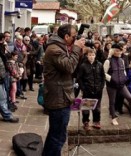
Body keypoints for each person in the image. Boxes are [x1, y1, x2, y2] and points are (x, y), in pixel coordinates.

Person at [42, 24, 83, 156]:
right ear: (66, 36)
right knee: (58, 137)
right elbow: (69, 67)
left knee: (55, 134)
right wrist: (76, 48)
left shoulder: (59, 46)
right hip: (59, 99)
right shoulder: (55, 50)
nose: (75, 39)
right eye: (73, 37)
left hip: (61, 96)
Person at [104, 43, 131, 125]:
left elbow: (123, 71)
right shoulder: (108, 61)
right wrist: (111, 79)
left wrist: (124, 78)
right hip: (111, 85)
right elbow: (104, 73)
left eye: (120, 51)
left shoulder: (121, 60)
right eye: (117, 51)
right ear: (113, 51)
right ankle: (113, 118)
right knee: (112, 102)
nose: (119, 52)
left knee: (130, 98)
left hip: (121, 84)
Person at [76, 48, 105, 130]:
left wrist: (101, 87)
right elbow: (79, 78)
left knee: (97, 107)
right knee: (86, 107)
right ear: (87, 56)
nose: (91, 57)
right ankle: (86, 122)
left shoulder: (99, 65)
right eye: (90, 55)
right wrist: (83, 88)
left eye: (93, 55)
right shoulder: (83, 66)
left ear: (95, 55)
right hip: (87, 90)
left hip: (98, 90)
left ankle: (96, 121)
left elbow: (103, 77)